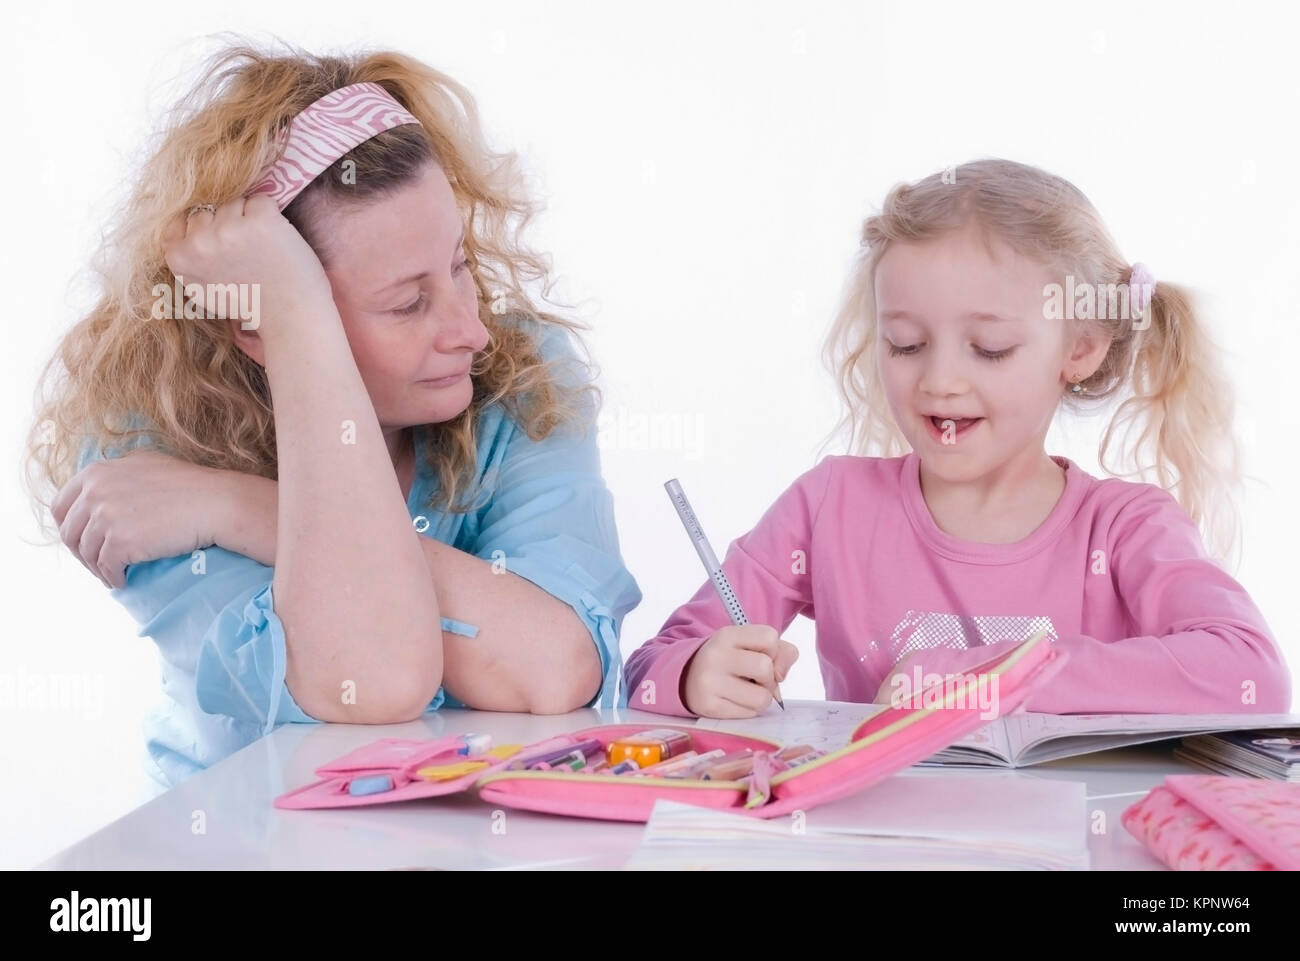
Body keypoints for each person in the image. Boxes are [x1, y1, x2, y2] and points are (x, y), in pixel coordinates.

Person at [25, 43, 641, 787]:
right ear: (256, 324)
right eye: (407, 302)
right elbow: (371, 679)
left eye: (459, 268)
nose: (470, 333)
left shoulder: (521, 372)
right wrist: (293, 317)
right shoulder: (146, 440)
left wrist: (242, 507)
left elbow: (555, 667)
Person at [625, 158, 1291, 719]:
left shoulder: (1124, 528)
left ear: (1081, 346)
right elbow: (648, 669)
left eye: (990, 348)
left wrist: (985, 678)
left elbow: (1252, 675)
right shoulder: (829, 506)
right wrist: (694, 675)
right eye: (906, 344)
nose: (940, 381)